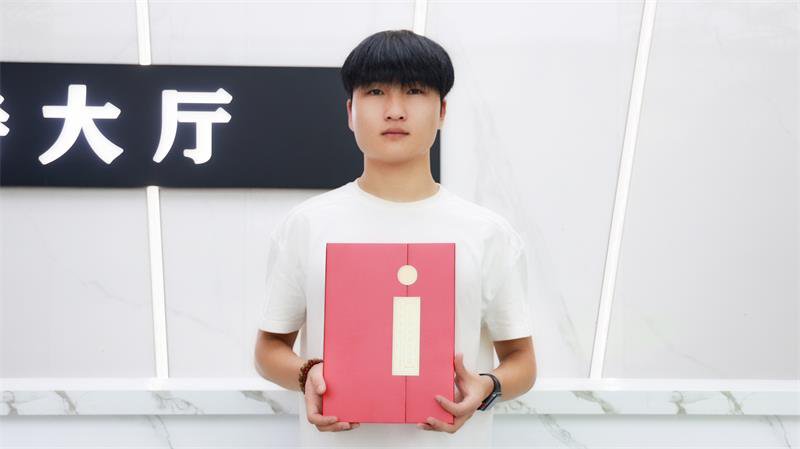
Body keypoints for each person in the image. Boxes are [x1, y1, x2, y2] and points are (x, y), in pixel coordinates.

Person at [254, 29, 537, 448]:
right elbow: (268, 349)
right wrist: (306, 373)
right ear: (350, 112)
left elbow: (522, 361)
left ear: (442, 111)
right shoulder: (307, 224)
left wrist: (487, 386)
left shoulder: (487, 233)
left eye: (414, 91)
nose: (395, 110)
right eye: (375, 92)